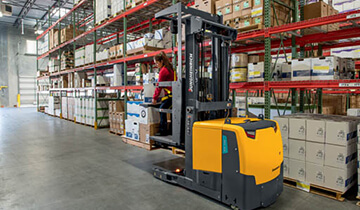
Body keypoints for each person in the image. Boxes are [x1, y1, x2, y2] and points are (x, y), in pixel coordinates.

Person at [152, 51, 176, 136]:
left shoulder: (163, 71)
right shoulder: (170, 68)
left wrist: (154, 98)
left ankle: (163, 131)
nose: (156, 65)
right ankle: (172, 130)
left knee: (162, 109)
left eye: (157, 63)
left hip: (171, 96)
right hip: (175, 95)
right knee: (173, 112)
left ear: (161, 61)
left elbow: (159, 86)